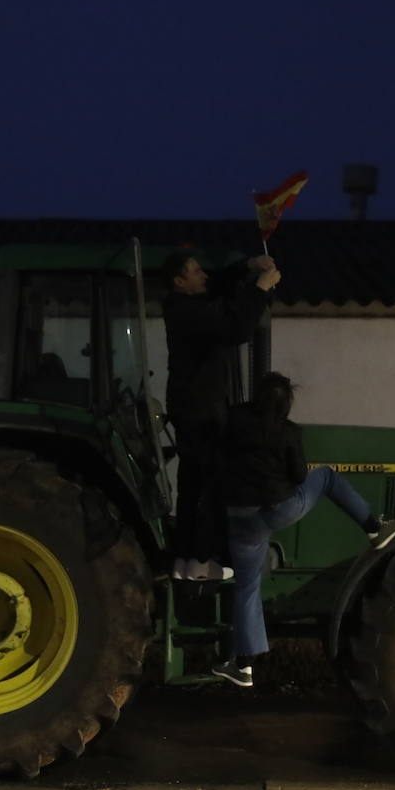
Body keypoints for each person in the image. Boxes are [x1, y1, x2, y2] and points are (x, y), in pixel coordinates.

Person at [212, 372, 395, 687]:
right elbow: (302, 476)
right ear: (287, 405)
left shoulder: (234, 419)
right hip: (277, 510)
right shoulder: (289, 432)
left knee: (247, 589)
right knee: (327, 477)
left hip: (241, 517)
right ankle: (374, 528)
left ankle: (243, 667)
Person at [161, 249, 281, 581]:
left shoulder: (180, 305)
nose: (204, 275)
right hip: (202, 412)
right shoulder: (191, 312)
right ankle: (202, 561)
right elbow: (238, 329)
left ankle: (184, 560)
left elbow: (218, 281)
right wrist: (262, 288)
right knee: (209, 487)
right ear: (179, 281)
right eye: (195, 271)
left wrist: (250, 266)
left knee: (190, 485)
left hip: (190, 407)